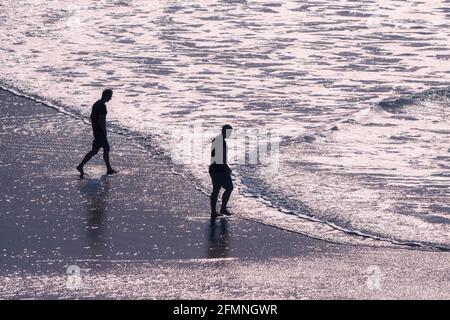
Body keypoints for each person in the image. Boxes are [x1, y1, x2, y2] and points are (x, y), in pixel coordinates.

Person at [76, 89, 117, 179]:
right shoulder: (102, 106)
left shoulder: (96, 104)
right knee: (106, 148)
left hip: (95, 130)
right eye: (110, 96)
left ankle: (80, 166)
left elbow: (92, 117)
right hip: (100, 132)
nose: (110, 98)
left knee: (95, 150)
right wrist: (104, 130)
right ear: (106, 95)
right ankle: (109, 169)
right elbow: (101, 120)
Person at [209, 124, 234, 218]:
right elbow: (218, 157)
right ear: (224, 131)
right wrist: (226, 167)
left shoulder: (218, 139)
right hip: (219, 169)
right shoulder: (220, 141)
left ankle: (216, 211)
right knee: (227, 188)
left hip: (215, 168)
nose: (230, 134)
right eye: (229, 132)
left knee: (217, 190)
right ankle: (219, 209)